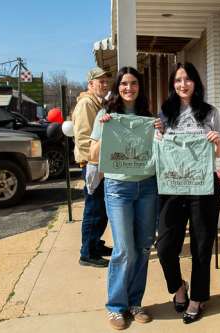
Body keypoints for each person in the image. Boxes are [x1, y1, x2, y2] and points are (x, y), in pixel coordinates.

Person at [89, 66, 162, 330]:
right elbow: (93, 156)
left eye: (133, 83)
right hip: (119, 188)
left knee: (143, 246)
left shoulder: (148, 117)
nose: (128, 88)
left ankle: (135, 302)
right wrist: (104, 130)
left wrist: (159, 132)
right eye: (123, 84)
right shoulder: (106, 115)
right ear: (117, 87)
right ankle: (116, 307)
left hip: (147, 186)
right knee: (124, 249)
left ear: (139, 87)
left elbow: (159, 150)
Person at [155, 62, 220, 324]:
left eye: (187, 79)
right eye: (177, 80)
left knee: (202, 244)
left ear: (195, 82)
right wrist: (157, 136)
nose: (182, 85)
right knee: (164, 246)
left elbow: (219, 153)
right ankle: (179, 287)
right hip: (172, 186)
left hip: (204, 186)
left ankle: (197, 298)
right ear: (173, 84)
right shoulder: (165, 113)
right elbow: (158, 147)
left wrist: (217, 141)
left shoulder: (209, 112)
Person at [73, 67, 112, 268]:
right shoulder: (86, 104)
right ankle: (87, 252)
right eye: (100, 81)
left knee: (101, 208)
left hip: (100, 163)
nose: (104, 85)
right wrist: (94, 163)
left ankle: (95, 244)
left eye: (106, 81)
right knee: (94, 208)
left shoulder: (99, 103)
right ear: (90, 84)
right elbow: (82, 138)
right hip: (92, 164)